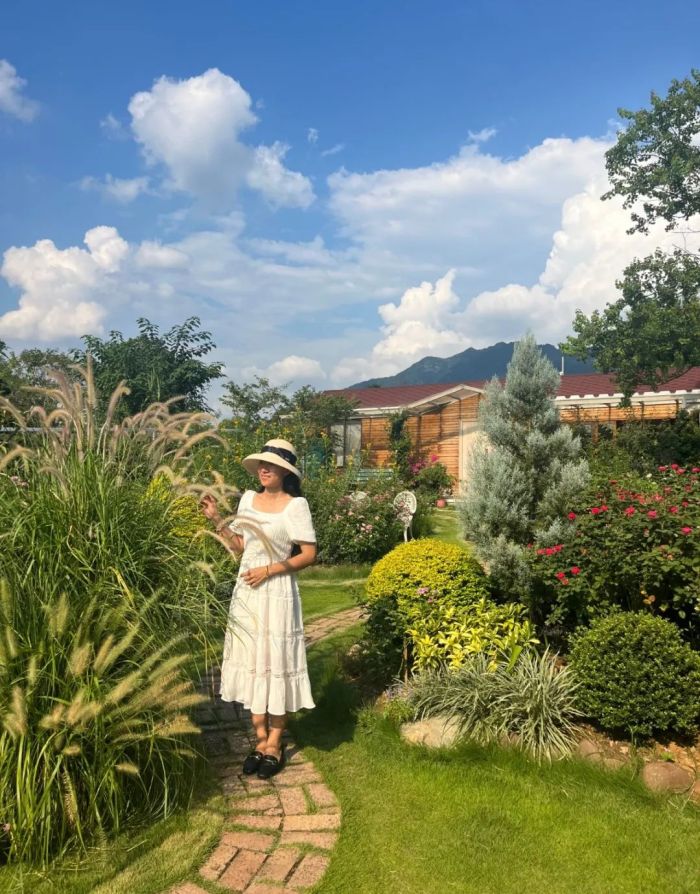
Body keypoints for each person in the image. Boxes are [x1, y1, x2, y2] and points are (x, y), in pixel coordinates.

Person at [200, 438, 317, 779]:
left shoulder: (296, 506)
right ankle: (260, 739)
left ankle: (275, 743)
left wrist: (269, 570)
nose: (264, 469)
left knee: (276, 661)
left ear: (285, 471)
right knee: (253, 660)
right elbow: (239, 547)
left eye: (272, 465)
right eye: (261, 464)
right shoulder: (248, 500)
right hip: (247, 594)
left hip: (277, 592)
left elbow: (309, 554)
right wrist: (217, 519)